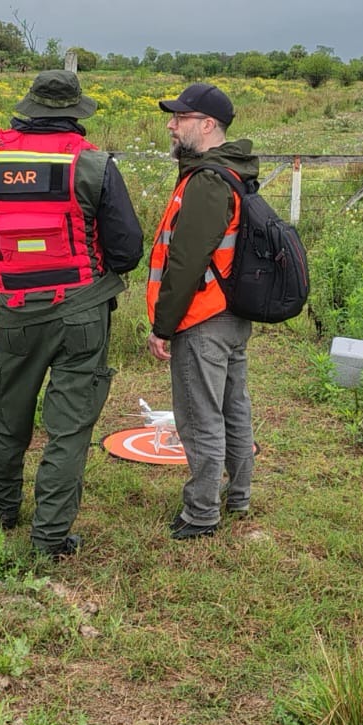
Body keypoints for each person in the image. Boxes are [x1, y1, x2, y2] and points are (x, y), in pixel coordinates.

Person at [0, 70, 144, 559]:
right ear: (74, 115)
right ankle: (50, 537)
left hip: (15, 310)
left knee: (8, 410)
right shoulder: (95, 165)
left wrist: (17, 261)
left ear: (28, 109)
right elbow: (126, 252)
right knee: (69, 426)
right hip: (81, 310)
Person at [144, 83, 258, 541]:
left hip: (203, 317)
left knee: (200, 416)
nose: (172, 125)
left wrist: (163, 325)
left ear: (207, 125)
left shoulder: (208, 180)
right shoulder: (231, 170)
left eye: (180, 118)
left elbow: (186, 261)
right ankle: (238, 496)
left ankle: (201, 514)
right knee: (233, 407)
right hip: (230, 314)